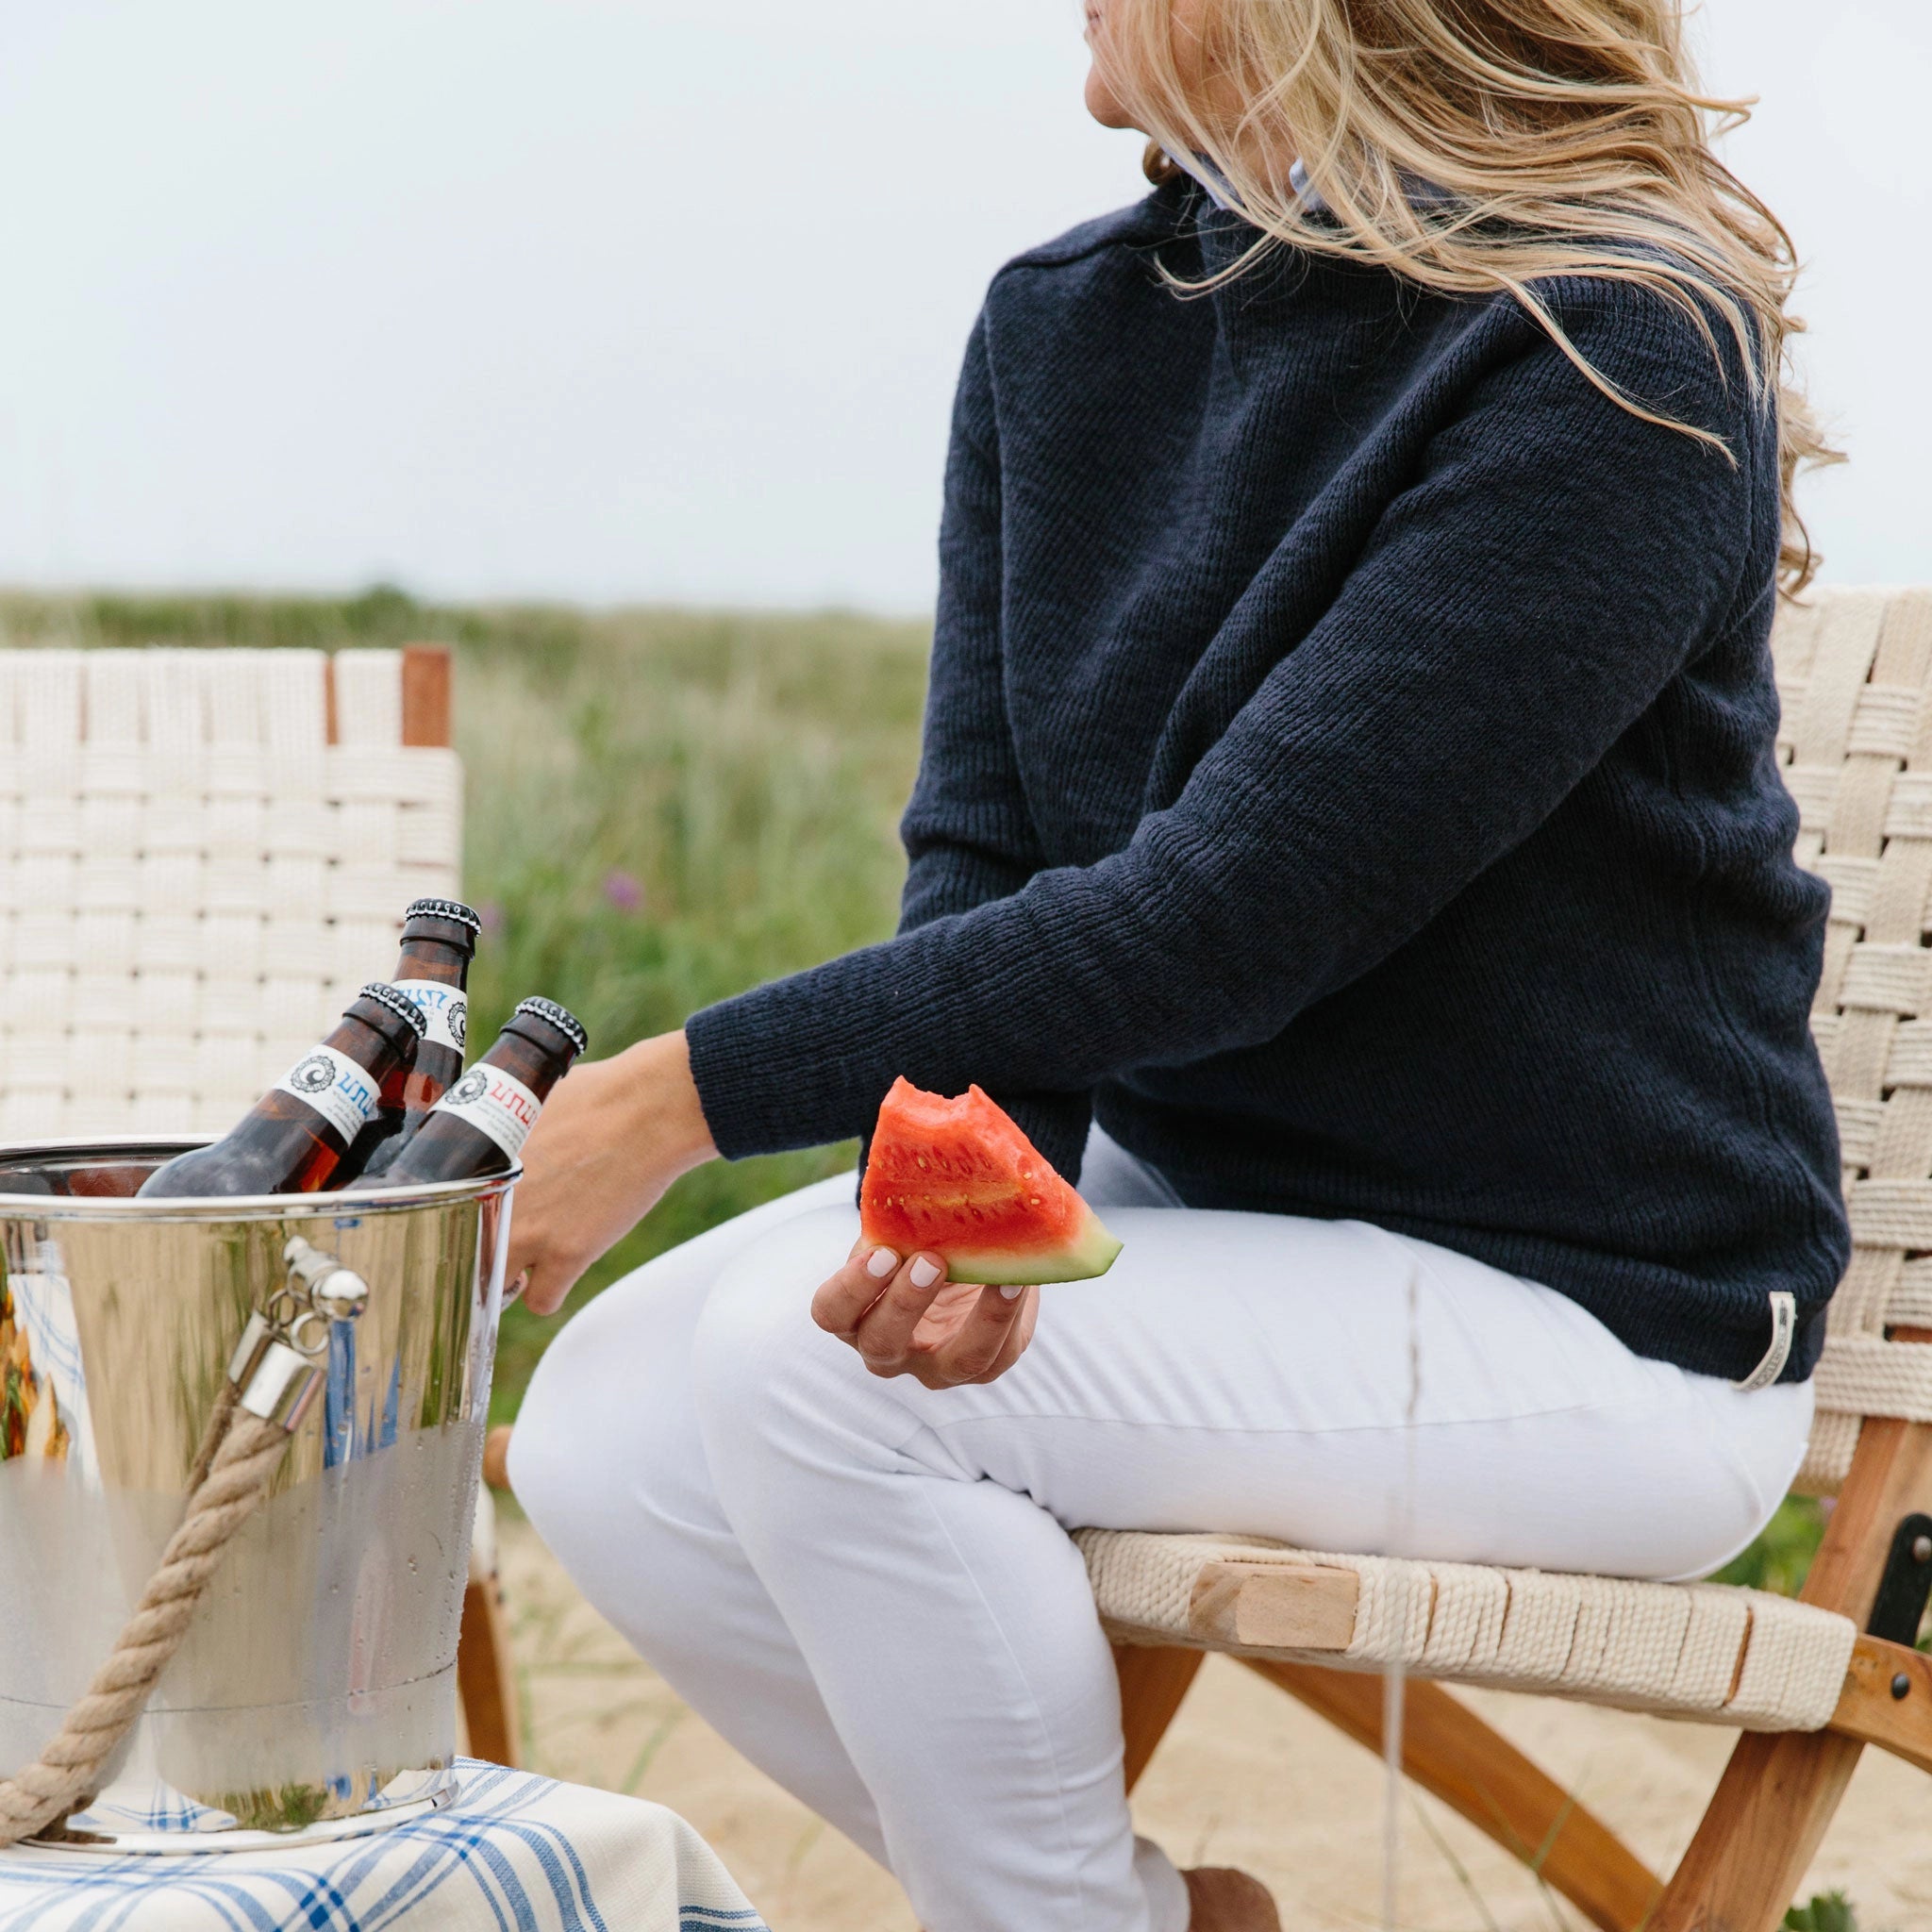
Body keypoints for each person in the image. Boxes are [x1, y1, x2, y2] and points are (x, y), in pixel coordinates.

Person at [506, 2, 1848, 1925]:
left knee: (805, 1389)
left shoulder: (1613, 346)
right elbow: (991, 857)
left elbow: (1234, 911)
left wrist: (672, 1098)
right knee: (614, 1419)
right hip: (1214, 1212)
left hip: (1587, 1306)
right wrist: (972, 1202)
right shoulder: (1066, 325)